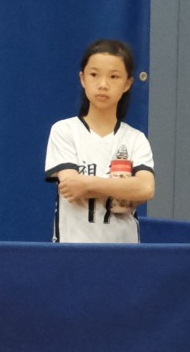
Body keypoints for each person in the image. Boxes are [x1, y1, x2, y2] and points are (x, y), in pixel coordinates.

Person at [44, 39, 155, 242]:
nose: (103, 85)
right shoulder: (64, 130)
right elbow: (71, 187)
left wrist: (87, 184)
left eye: (114, 76)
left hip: (125, 251)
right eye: (94, 75)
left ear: (127, 83)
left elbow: (146, 188)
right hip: (73, 250)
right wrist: (123, 187)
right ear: (82, 78)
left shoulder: (135, 139)